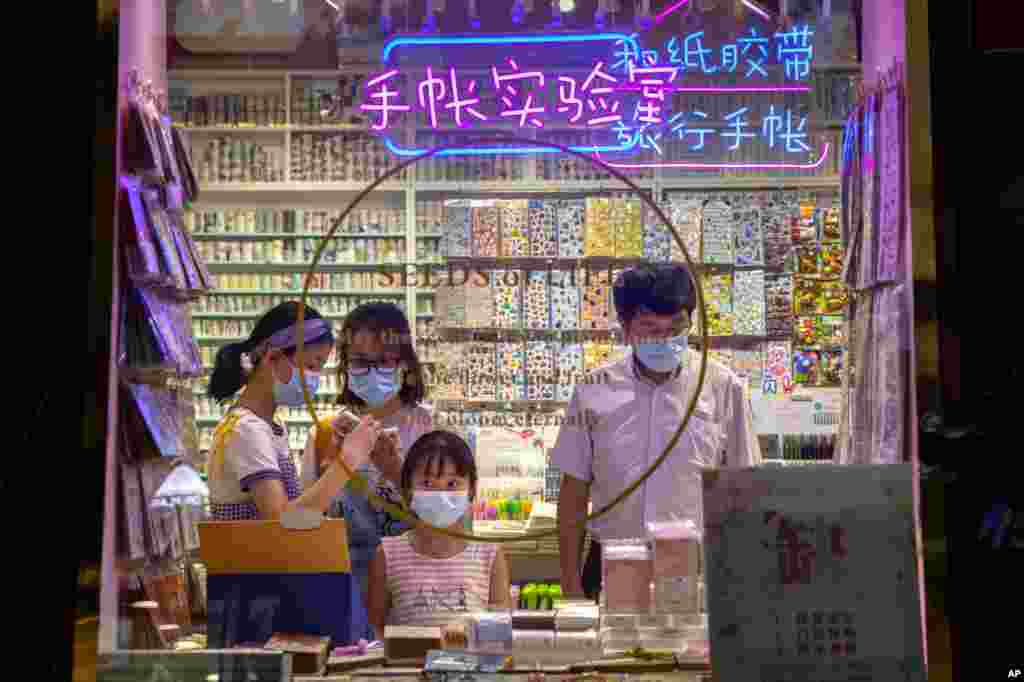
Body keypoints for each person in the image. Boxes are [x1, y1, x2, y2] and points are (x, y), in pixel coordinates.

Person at [551, 263, 761, 599]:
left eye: (675, 328)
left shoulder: (724, 388)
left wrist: (743, 579)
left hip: (696, 569)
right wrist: (569, 582)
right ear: (625, 327)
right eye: (650, 329)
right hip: (610, 563)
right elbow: (574, 490)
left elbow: (744, 491)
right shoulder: (593, 391)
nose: (664, 340)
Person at [300, 302, 434, 628]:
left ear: (405, 363)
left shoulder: (430, 429)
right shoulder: (324, 433)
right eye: (361, 362)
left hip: (415, 597)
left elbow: (452, 527)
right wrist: (338, 466)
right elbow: (302, 524)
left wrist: (395, 472)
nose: (373, 372)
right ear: (346, 366)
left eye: (384, 362)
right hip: (344, 600)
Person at [206, 301, 382, 521]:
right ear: (273, 357)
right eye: (311, 366)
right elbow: (283, 520)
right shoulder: (247, 429)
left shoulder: (269, 424)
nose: (314, 380)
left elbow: (293, 505)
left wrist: (331, 459)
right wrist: (348, 460)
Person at [366, 431, 511, 636]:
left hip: (471, 667)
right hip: (406, 667)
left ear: (471, 490)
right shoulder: (387, 554)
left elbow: (499, 632)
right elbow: (375, 631)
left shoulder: (490, 554)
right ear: (408, 490)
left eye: (452, 484)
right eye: (427, 483)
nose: (440, 494)